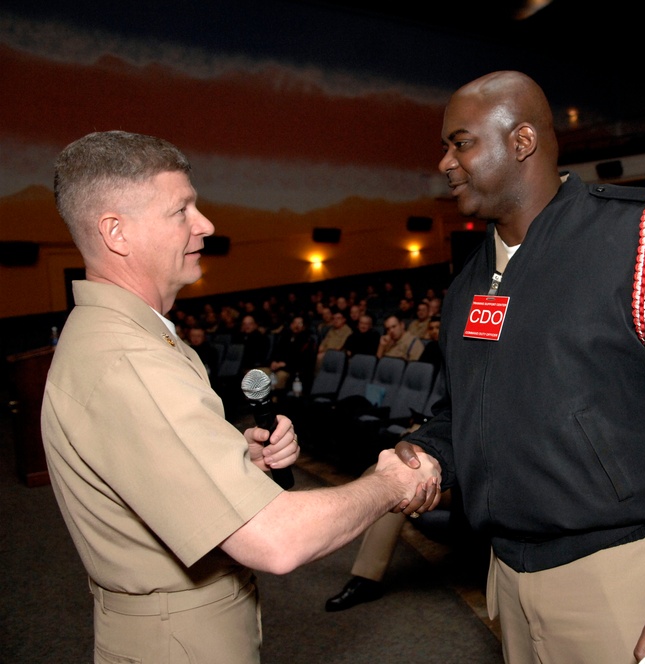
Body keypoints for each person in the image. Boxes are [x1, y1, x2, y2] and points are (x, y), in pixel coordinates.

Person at [394, 71, 645, 664]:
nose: (445, 162)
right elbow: (467, 411)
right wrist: (430, 452)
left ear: (521, 141)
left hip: (626, 578)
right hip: (507, 576)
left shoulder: (643, 234)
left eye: (461, 142)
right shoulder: (470, 282)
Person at [41, 130, 441, 664]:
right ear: (117, 232)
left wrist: (231, 458)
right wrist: (389, 483)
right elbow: (275, 541)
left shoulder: (119, 336)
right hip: (181, 642)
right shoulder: (131, 359)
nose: (204, 224)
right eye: (181, 210)